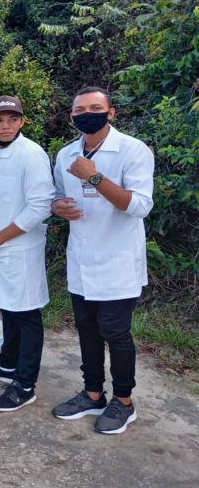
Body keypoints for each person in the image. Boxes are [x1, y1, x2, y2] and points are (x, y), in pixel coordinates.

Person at [50, 86, 154, 434]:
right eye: (80, 109)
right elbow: (57, 197)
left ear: (111, 113)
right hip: (81, 257)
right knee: (87, 330)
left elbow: (140, 206)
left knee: (115, 332)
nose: (87, 113)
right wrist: (57, 207)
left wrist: (94, 176)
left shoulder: (132, 150)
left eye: (96, 107)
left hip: (118, 260)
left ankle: (124, 401)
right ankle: (93, 393)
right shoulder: (65, 154)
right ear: (72, 117)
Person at [0, 96, 55, 412]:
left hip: (18, 249)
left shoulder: (31, 154)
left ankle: (25, 384)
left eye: (12, 119)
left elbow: (40, 205)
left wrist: (2, 235)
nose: (5, 126)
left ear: (22, 122)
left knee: (27, 314)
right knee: (8, 308)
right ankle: (6, 364)